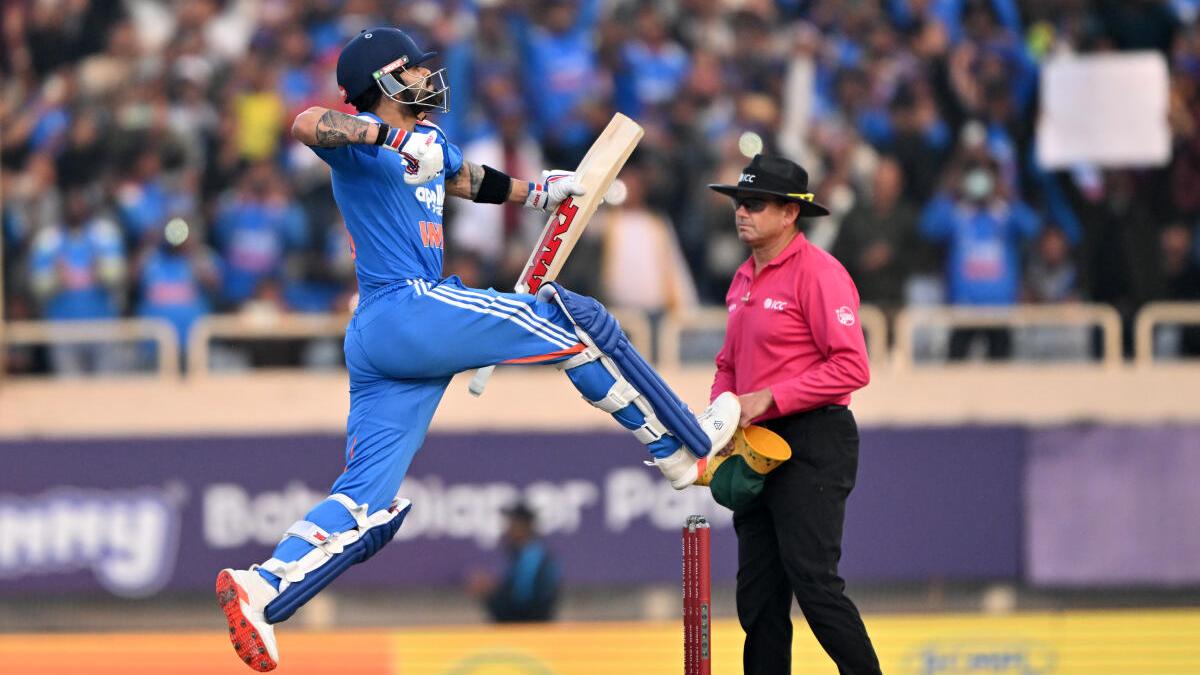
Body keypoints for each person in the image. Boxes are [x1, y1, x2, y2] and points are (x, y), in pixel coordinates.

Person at [213, 27, 740, 672]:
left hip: (386, 339)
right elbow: (306, 124)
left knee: (368, 501)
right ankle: (680, 447)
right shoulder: (362, 146)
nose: (425, 78)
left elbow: (466, 179)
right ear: (380, 82)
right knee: (573, 319)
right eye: (412, 69)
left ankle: (263, 587)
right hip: (404, 306)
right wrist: (388, 139)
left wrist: (539, 193)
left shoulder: (431, 140)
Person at [707, 155, 881, 675]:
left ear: (790, 213)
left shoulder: (820, 273)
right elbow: (728, 365)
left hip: (813, 437)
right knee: (758, 599)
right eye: (739, 203)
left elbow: (852, 367)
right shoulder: (742, 278)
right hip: (755, 445)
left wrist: (768, 398)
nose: (742, 212)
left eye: (755, 204)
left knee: (814, 583)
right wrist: (718, 421)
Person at [467, 502, 561, 623]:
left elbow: (523, 607)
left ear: (525, 527)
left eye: (512, 524)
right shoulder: (522, 555)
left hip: (531, 631)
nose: (507, 530)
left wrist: (489, 594)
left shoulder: (533, 558)